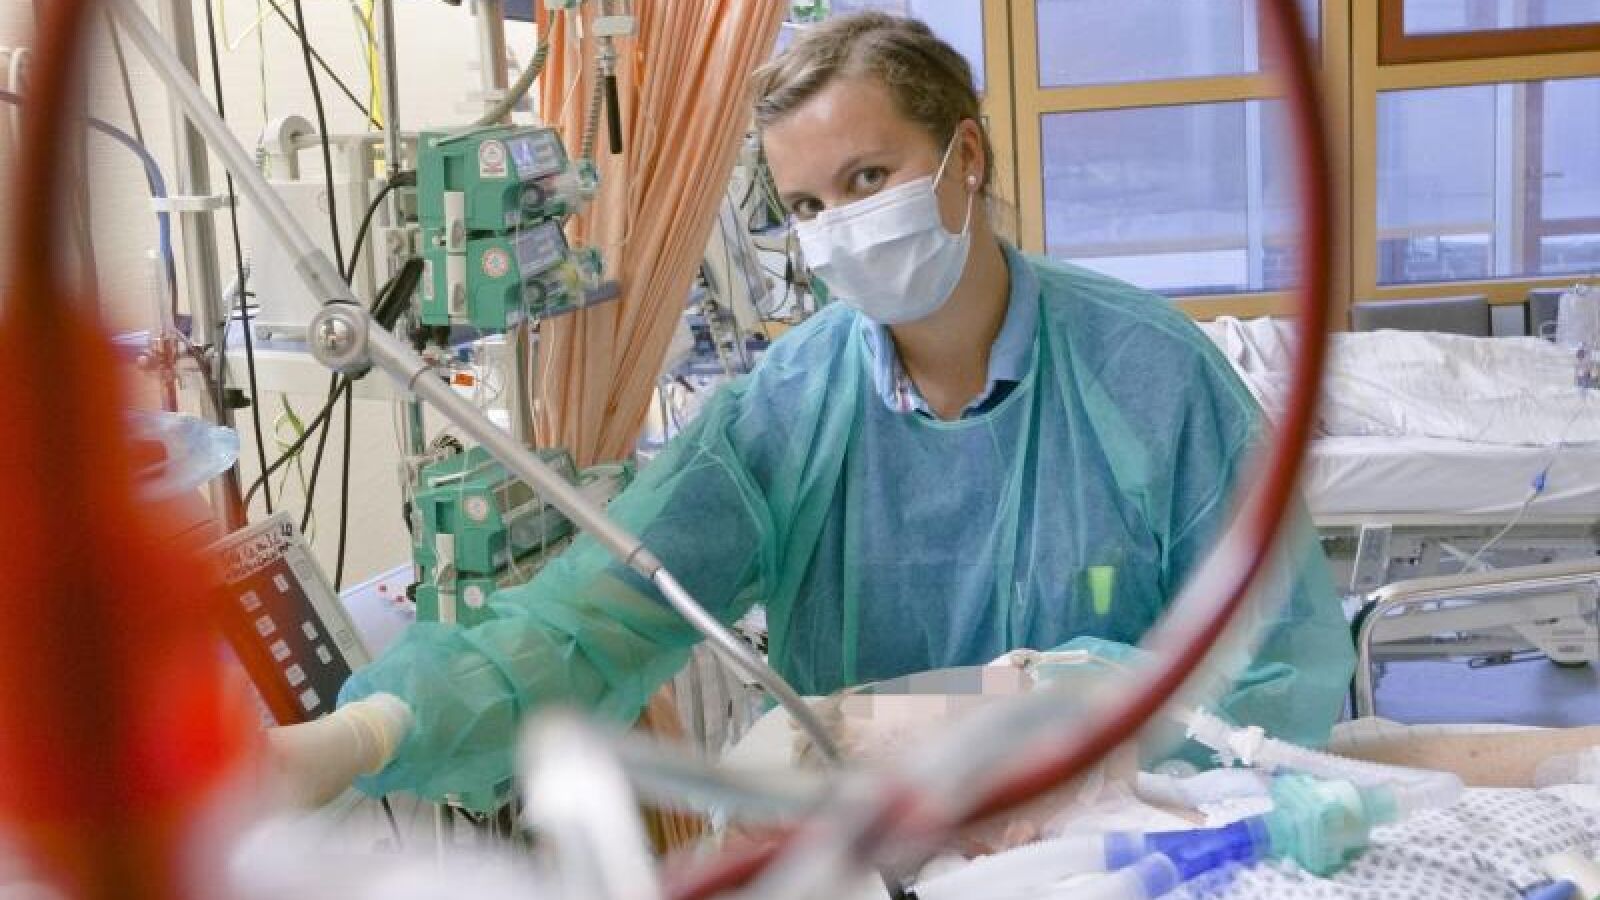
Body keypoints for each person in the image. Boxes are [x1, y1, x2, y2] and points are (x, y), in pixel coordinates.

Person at [330, 12, 1355, 805]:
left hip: (1110, 843)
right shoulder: (787, 411)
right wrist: (368, 734)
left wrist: (1053, 701)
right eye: (809, 207)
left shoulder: (1150, 377)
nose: (841, 229)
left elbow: (1276, 666)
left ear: (966, 156)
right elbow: (593, 621)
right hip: (871, 849)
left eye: (869, 178)